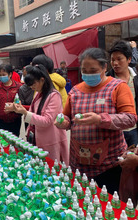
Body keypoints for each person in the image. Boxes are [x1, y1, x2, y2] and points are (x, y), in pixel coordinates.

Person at [55, 48, 137, 194]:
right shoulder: (75, 91)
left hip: (109, 165)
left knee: (109, 205)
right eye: (84, 70)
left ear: (105, 67)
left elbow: (130, 119)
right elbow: (67, 116)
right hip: (79, 163)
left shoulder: (118, 87)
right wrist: (63, 122)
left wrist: (100, 119)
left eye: (93, 70)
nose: (88, 74)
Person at [6, 64, 69, 163]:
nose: (32, 87)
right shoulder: (39, 94)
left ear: (42, 80)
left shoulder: (54, 96)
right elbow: (33, 112)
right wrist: (17, 109)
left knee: (50, 167)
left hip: (49, 140)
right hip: (37, 137)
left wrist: (25, 112)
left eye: (33, 84)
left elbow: (47, 120)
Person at [107, 40, 138, 147]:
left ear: (129, 59)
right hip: (115, 131)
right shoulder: (107, 80)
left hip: (134, 129)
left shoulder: (136, 78)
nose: (115, 63)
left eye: (119, 59)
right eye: (112, 60)